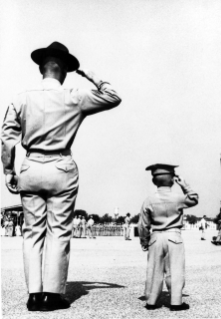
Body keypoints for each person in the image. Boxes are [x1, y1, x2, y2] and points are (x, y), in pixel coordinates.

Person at [1, 41, 121, 311]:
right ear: (65, 70)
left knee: (32, 233)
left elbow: (7, 138)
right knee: (58, 232)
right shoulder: (74, 96)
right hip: (61, 167)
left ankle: (34, 294)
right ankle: (52, 295)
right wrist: (89, 73)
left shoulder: (21, 97)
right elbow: (113, 96)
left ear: (41, 69)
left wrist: (9, 171)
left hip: (31, 167)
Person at [138, 163, 198, 311]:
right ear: (172, 180)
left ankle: (151, 301)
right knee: (175, 270)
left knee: (154, 269)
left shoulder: (149, 200)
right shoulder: (178, 198)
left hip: (156, 237)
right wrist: (184, 184)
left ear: (154, 181)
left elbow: (143, 225)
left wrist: (145, 241)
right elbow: (194, 198)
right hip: (174, 236)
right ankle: (176, 302)